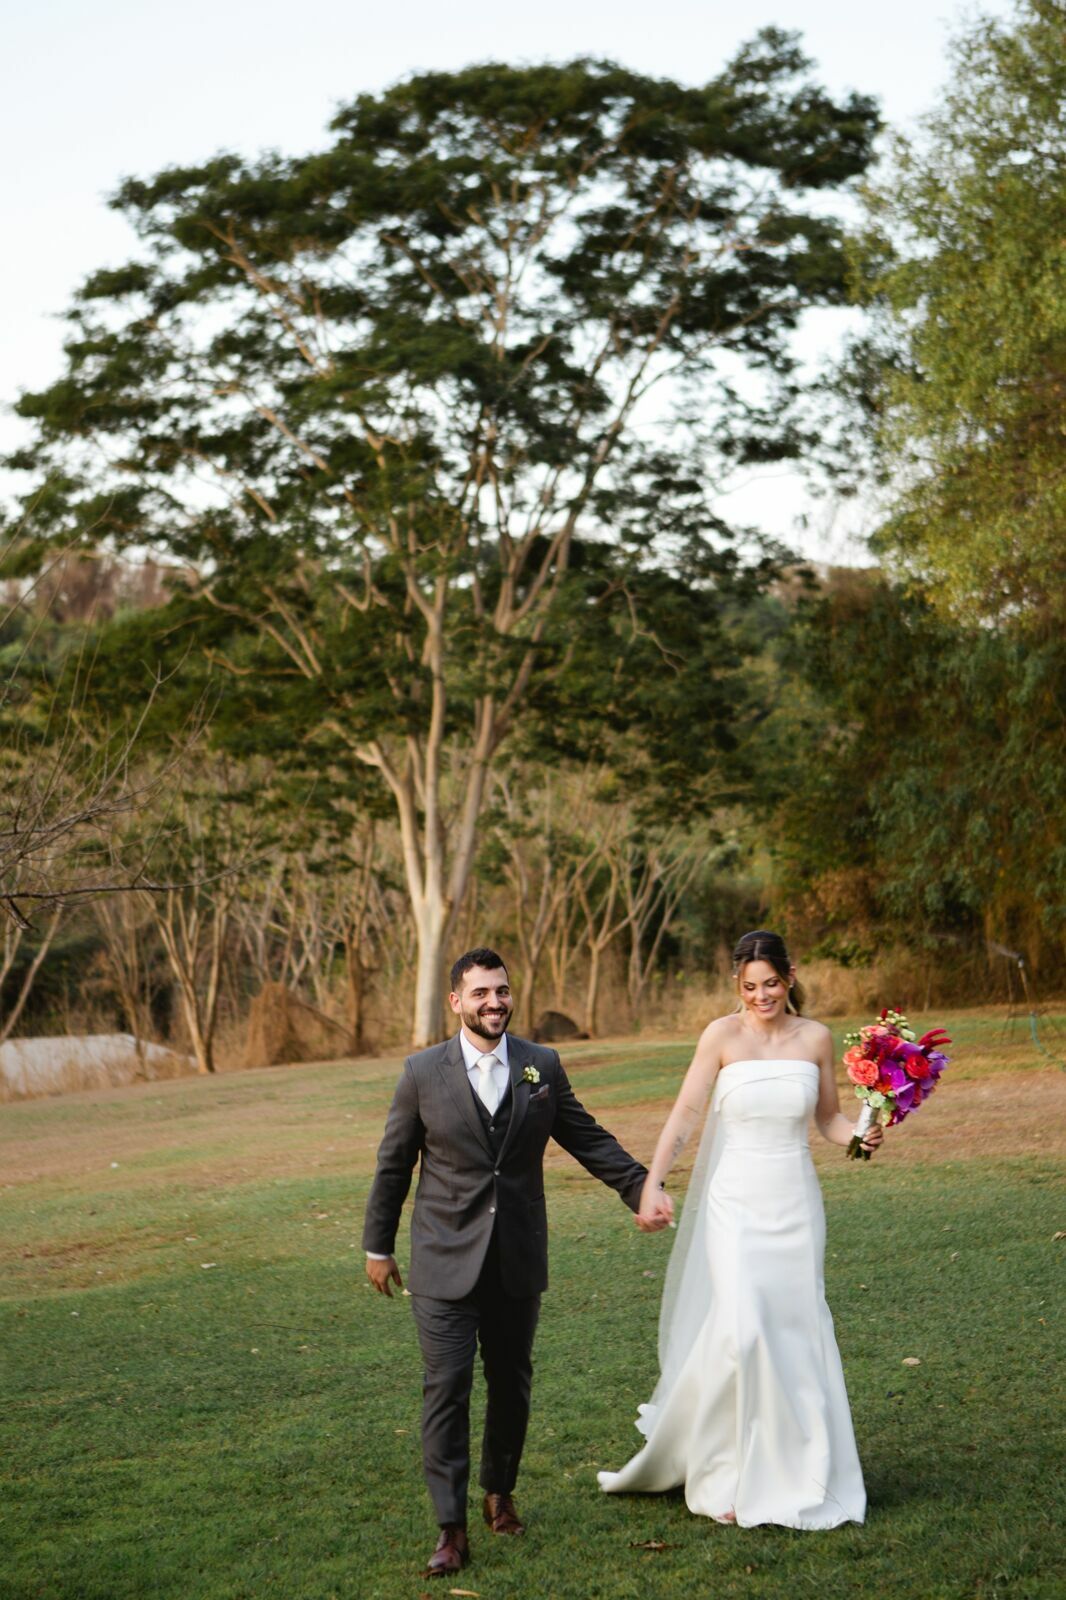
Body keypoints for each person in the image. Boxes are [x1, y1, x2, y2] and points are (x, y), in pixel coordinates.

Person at [362, 947, 672, 1578]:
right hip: (443, 1262)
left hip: (516, 1260)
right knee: (445, 1389)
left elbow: (586, 1137)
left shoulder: (541, 1066)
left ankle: (499, 1493)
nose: (494, 1002)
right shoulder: (422, 1073)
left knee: (512, 1384)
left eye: (501, 991)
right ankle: (451, 1528)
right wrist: (378, 1245)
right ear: (456, 1002)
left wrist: (640, 1187)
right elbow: (394, 1163)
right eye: (480, 993)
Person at [598, 928, 882, 1529]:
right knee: (743, 1331)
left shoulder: (817, 1039)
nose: (761, 996)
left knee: (795, 1331)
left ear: (791, 976)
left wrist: (859, 1134)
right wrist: (653, 1181)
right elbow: (686, 1113)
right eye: (750, 986)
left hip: (795, 1204)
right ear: (738, 986)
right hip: (734, 1205)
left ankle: (803, 1467)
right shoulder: (720, 1036)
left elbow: (828, 1119)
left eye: (772, 984)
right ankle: (728, 1468)